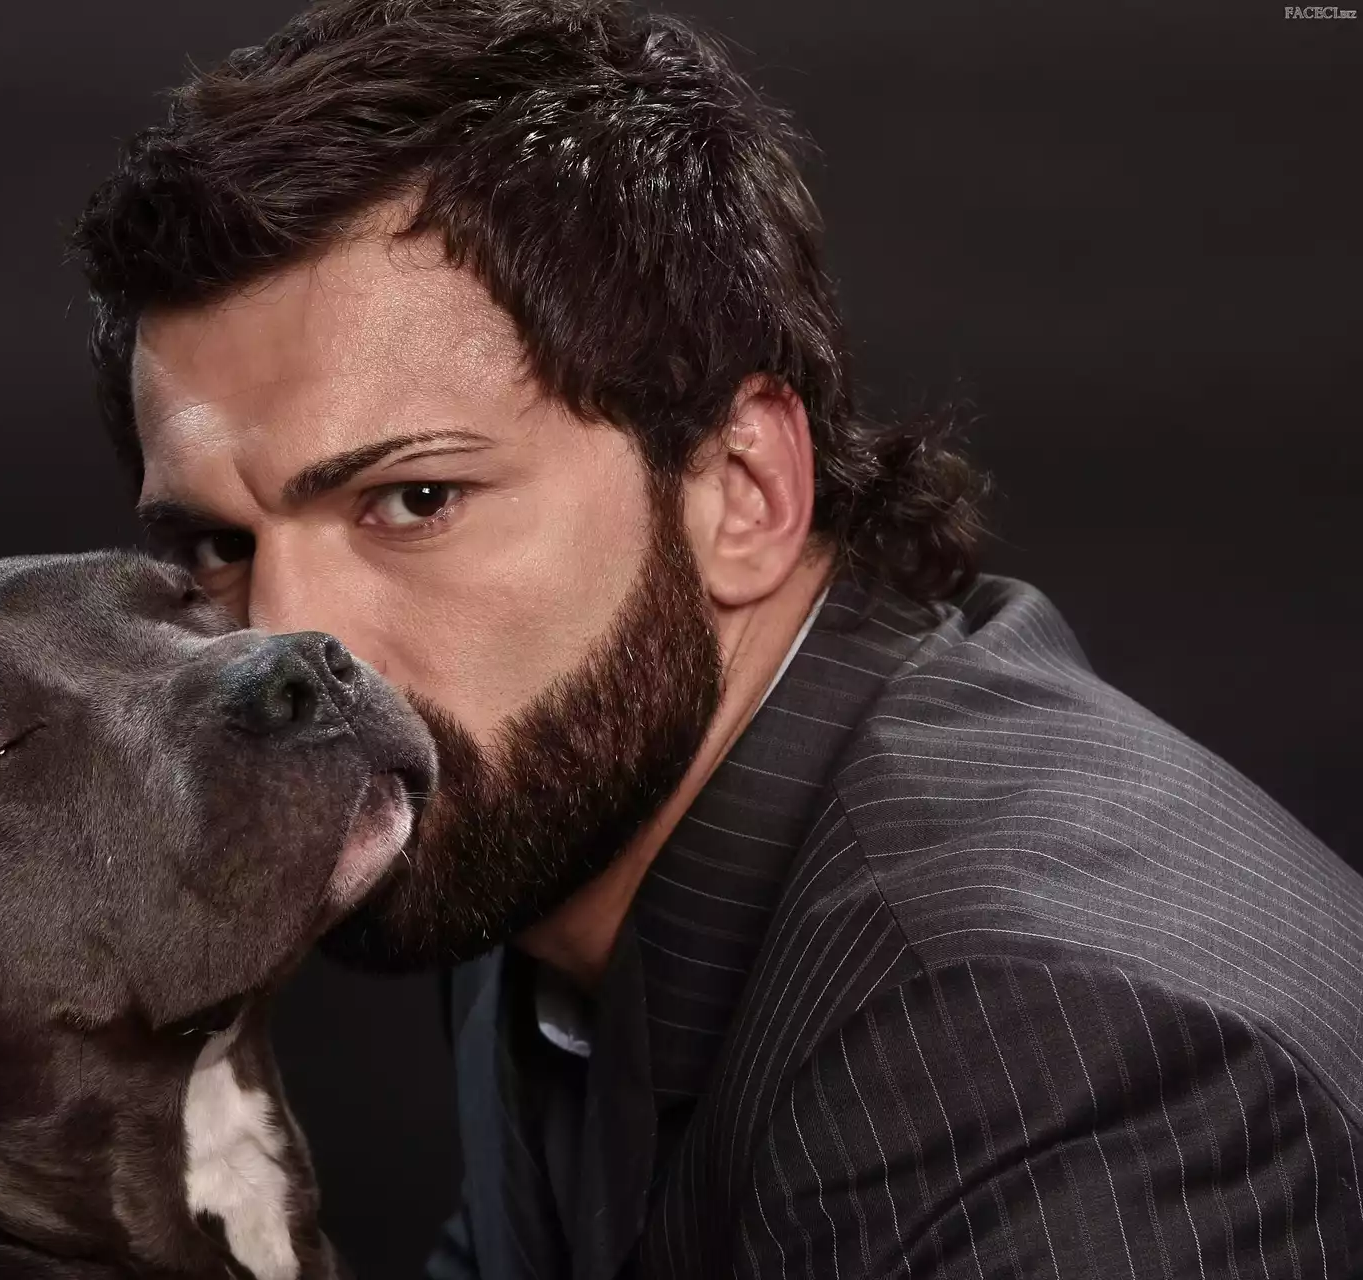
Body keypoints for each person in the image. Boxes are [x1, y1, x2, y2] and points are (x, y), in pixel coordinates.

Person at [68, 1, 1363, 1275]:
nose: (287, 641)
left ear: (743, 492)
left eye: (416, 500)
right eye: (217, 544)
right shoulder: (538, 810)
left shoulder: (1045, 1048)